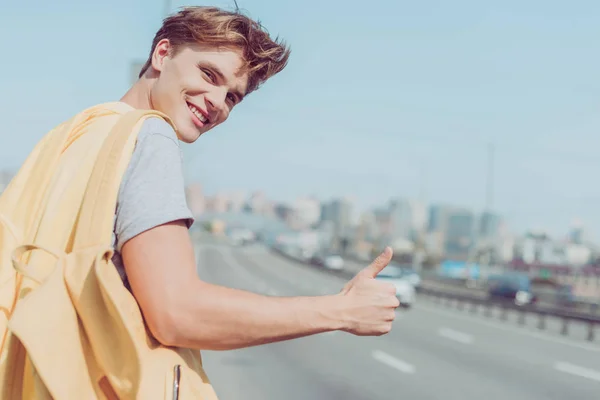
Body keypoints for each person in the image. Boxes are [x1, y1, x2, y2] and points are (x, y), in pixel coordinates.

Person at [115, 6, 399, 351]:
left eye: (232, 96)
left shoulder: (82, 133)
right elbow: (177, 314)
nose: (218, 102)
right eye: (208, 74)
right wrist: (341, 311)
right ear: (163, 54)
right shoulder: (151, 137)